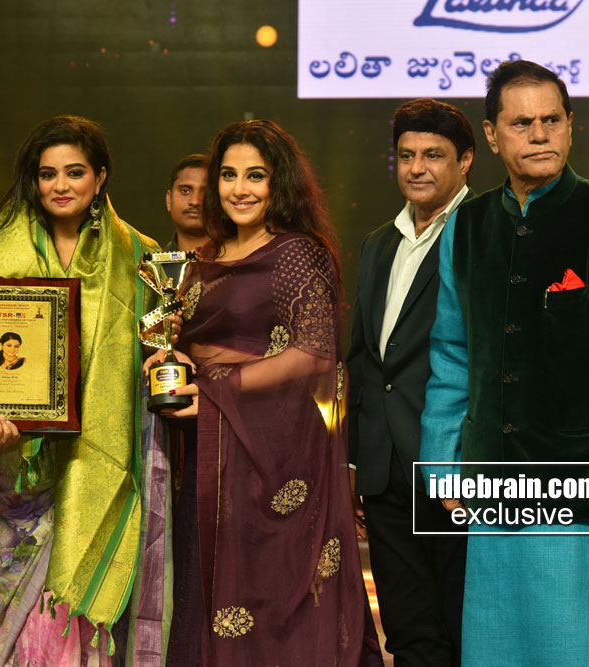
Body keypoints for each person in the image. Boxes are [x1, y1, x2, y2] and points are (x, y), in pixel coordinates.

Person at [420, 59, 589, 665]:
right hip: (497, 494)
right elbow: (452, 359)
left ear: (571, 125)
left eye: (552, 120)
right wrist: (440, 465)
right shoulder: (465, 227)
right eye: (522, 124)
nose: (539, 134)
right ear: (492, 136)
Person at [152, 119, 381, 667]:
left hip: (275, 464)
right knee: (200, 595)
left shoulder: (296, 252)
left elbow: (315, 352)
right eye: (228, 175)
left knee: (276, 603)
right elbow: (189, 340)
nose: (240, 189)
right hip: (207, 453)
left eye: (255, 175)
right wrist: (169, 353)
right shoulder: (204, 257)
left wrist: (218, 386)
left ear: (280, 182)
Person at [0, 115, 165, 666]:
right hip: (20, 459)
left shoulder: (140, 255)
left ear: (100, 178)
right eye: (47, 173)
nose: (60, 185)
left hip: (106, 456)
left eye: (74, 172)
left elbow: (157, 354)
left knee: (87, 594)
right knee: (27, 608)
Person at [347, 98, 472, 667]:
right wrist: (355, 460)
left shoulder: (485, 233)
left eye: (433, 155)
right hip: (385, 470)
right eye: (406, 155)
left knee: (466, 625)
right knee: (408, 630)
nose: (417, 168)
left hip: (456, 466)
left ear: (465, 161)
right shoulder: (378, 242)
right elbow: (363, 359)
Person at [164, 153, 208, 251]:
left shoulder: (239, 258)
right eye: (185, 191)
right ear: (169, 200)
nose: (195, 201)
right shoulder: (152, 260)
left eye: (206, 193)